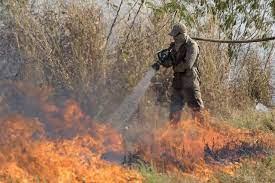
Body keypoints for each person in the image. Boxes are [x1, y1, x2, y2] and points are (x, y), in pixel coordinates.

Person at [152, 23, 204, 125]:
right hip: (178, 82)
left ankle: (203, 134)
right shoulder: (173, 47)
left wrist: (174, 65)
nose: (174, 38)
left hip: (190, 82)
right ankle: (173, 135)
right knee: (174, 111)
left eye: (175, 35)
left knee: (196, 109)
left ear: (182, 34)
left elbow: (188, 64)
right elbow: (169, 63)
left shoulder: (192, 46)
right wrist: (161, 62)